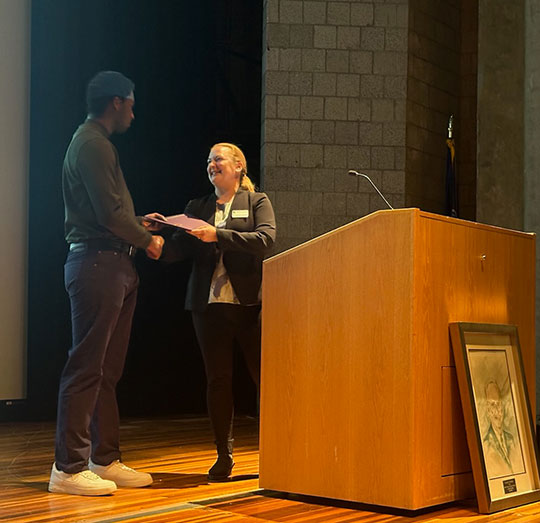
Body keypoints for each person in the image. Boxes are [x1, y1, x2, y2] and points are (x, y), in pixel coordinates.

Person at [48, 71, 164, 496]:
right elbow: (108, 216)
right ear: (116, 102)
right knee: (86, 366)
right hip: (98, 263)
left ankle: (104, 458)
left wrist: (138, 225)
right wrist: (147, 238)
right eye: (131, 104)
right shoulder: (94, 143)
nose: (134, 112)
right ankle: (68, 467)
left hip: (113, 261)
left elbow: (115, 215)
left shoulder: (97, 144)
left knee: (106, 371)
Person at [153, 142, 276, 481]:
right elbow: (181, 248)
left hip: (249, 306)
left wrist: (218, 235)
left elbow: (266, 239)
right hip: (207, 307)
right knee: (218, 382)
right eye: (208, 160)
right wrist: (156, 241)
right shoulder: (198, 206)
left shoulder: (257, 202)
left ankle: (279, 450)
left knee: (264, 380)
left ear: (239, 166)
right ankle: (224, 455)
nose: (211, 164)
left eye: (218, 158)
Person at [482, 380, 524, 478]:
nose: (497, 410)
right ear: (488, 411)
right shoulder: (486, 445)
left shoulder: (512, 440)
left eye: (499, 404)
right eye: (493, 405)